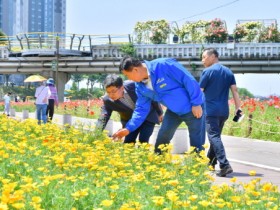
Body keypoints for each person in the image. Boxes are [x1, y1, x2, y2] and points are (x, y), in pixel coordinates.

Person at [114, 56, 205, 154]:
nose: (129, 79)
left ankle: (198, 166)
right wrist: (128, 128)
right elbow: (141, 109)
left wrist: (196, 103)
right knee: (163, 136)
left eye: (128, 75)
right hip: (173, 111)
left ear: (135, 70)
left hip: (192, 107)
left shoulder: (163, 65)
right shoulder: (140, 87)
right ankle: (159, 163)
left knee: (197, 141)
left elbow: (188, 79)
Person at [200, 48, 242, 177]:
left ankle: (224, 165)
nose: (202, 61)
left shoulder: (207, 72)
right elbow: (235, 91)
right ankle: (210, 163)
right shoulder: (228, 72)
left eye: (204, 57)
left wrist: (193, 107)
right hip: (224, 111)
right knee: (216, 136)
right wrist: (238, 107)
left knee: (214, 137)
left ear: (213, 57)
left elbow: (199, 91)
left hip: (210, 111)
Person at [96, 74, 163, 144]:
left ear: (121, 88)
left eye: (113, 91)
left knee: (143, 141)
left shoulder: (133, 85)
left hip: (148, 116)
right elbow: (103, 117)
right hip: (129, 121)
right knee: (128, 142)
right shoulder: (107, 100)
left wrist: (160, 112)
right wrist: (96, 133)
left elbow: (151, 97)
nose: (111, 95)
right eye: (108, 92)